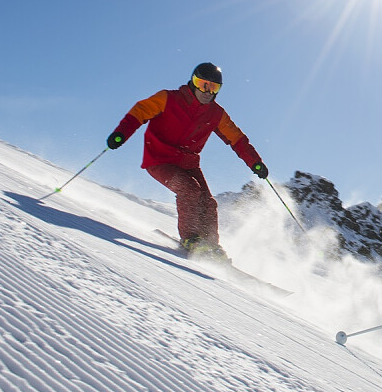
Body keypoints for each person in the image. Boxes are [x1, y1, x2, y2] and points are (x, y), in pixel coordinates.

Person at [107, 62, 268, 259]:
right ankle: (190, 239)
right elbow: (140, 111)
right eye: (202, 84)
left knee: (208, 202)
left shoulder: (216, 114)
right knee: (189, 189)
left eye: (213, 87)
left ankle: (212, 246)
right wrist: (121, 133)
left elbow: (237, 139)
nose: (207, 91)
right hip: (159, 160)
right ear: (193, 82)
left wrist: (255, 162)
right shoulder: (168, 98)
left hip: (188, 164)